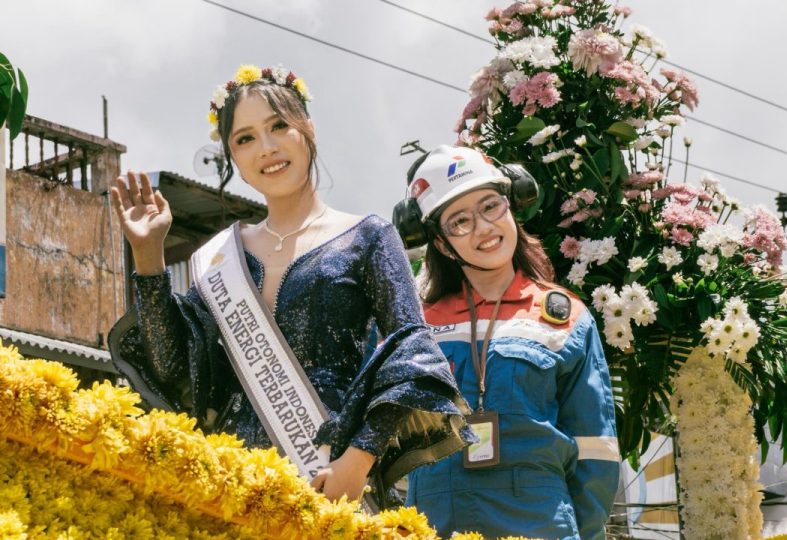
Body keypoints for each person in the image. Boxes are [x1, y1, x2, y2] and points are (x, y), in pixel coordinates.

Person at [107, 65, 473, 503]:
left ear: (308, 129)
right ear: (233, 159)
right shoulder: (219, 259)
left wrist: (359, 459)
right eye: (245, 138)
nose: (266, 147)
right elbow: (173, 368)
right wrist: (149, 256)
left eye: (279, 126)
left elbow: (412, 353)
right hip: (234, 479)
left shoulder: (368, 237)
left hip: (329, 473)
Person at [394, 145, 620, 540]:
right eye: (460, 221)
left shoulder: (566, 316)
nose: (483, 227)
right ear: (443, 244)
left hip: (541, 525)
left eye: (491, 206)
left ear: (512, 206)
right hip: (434, 526)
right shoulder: (414, 323)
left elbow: (595, 449)